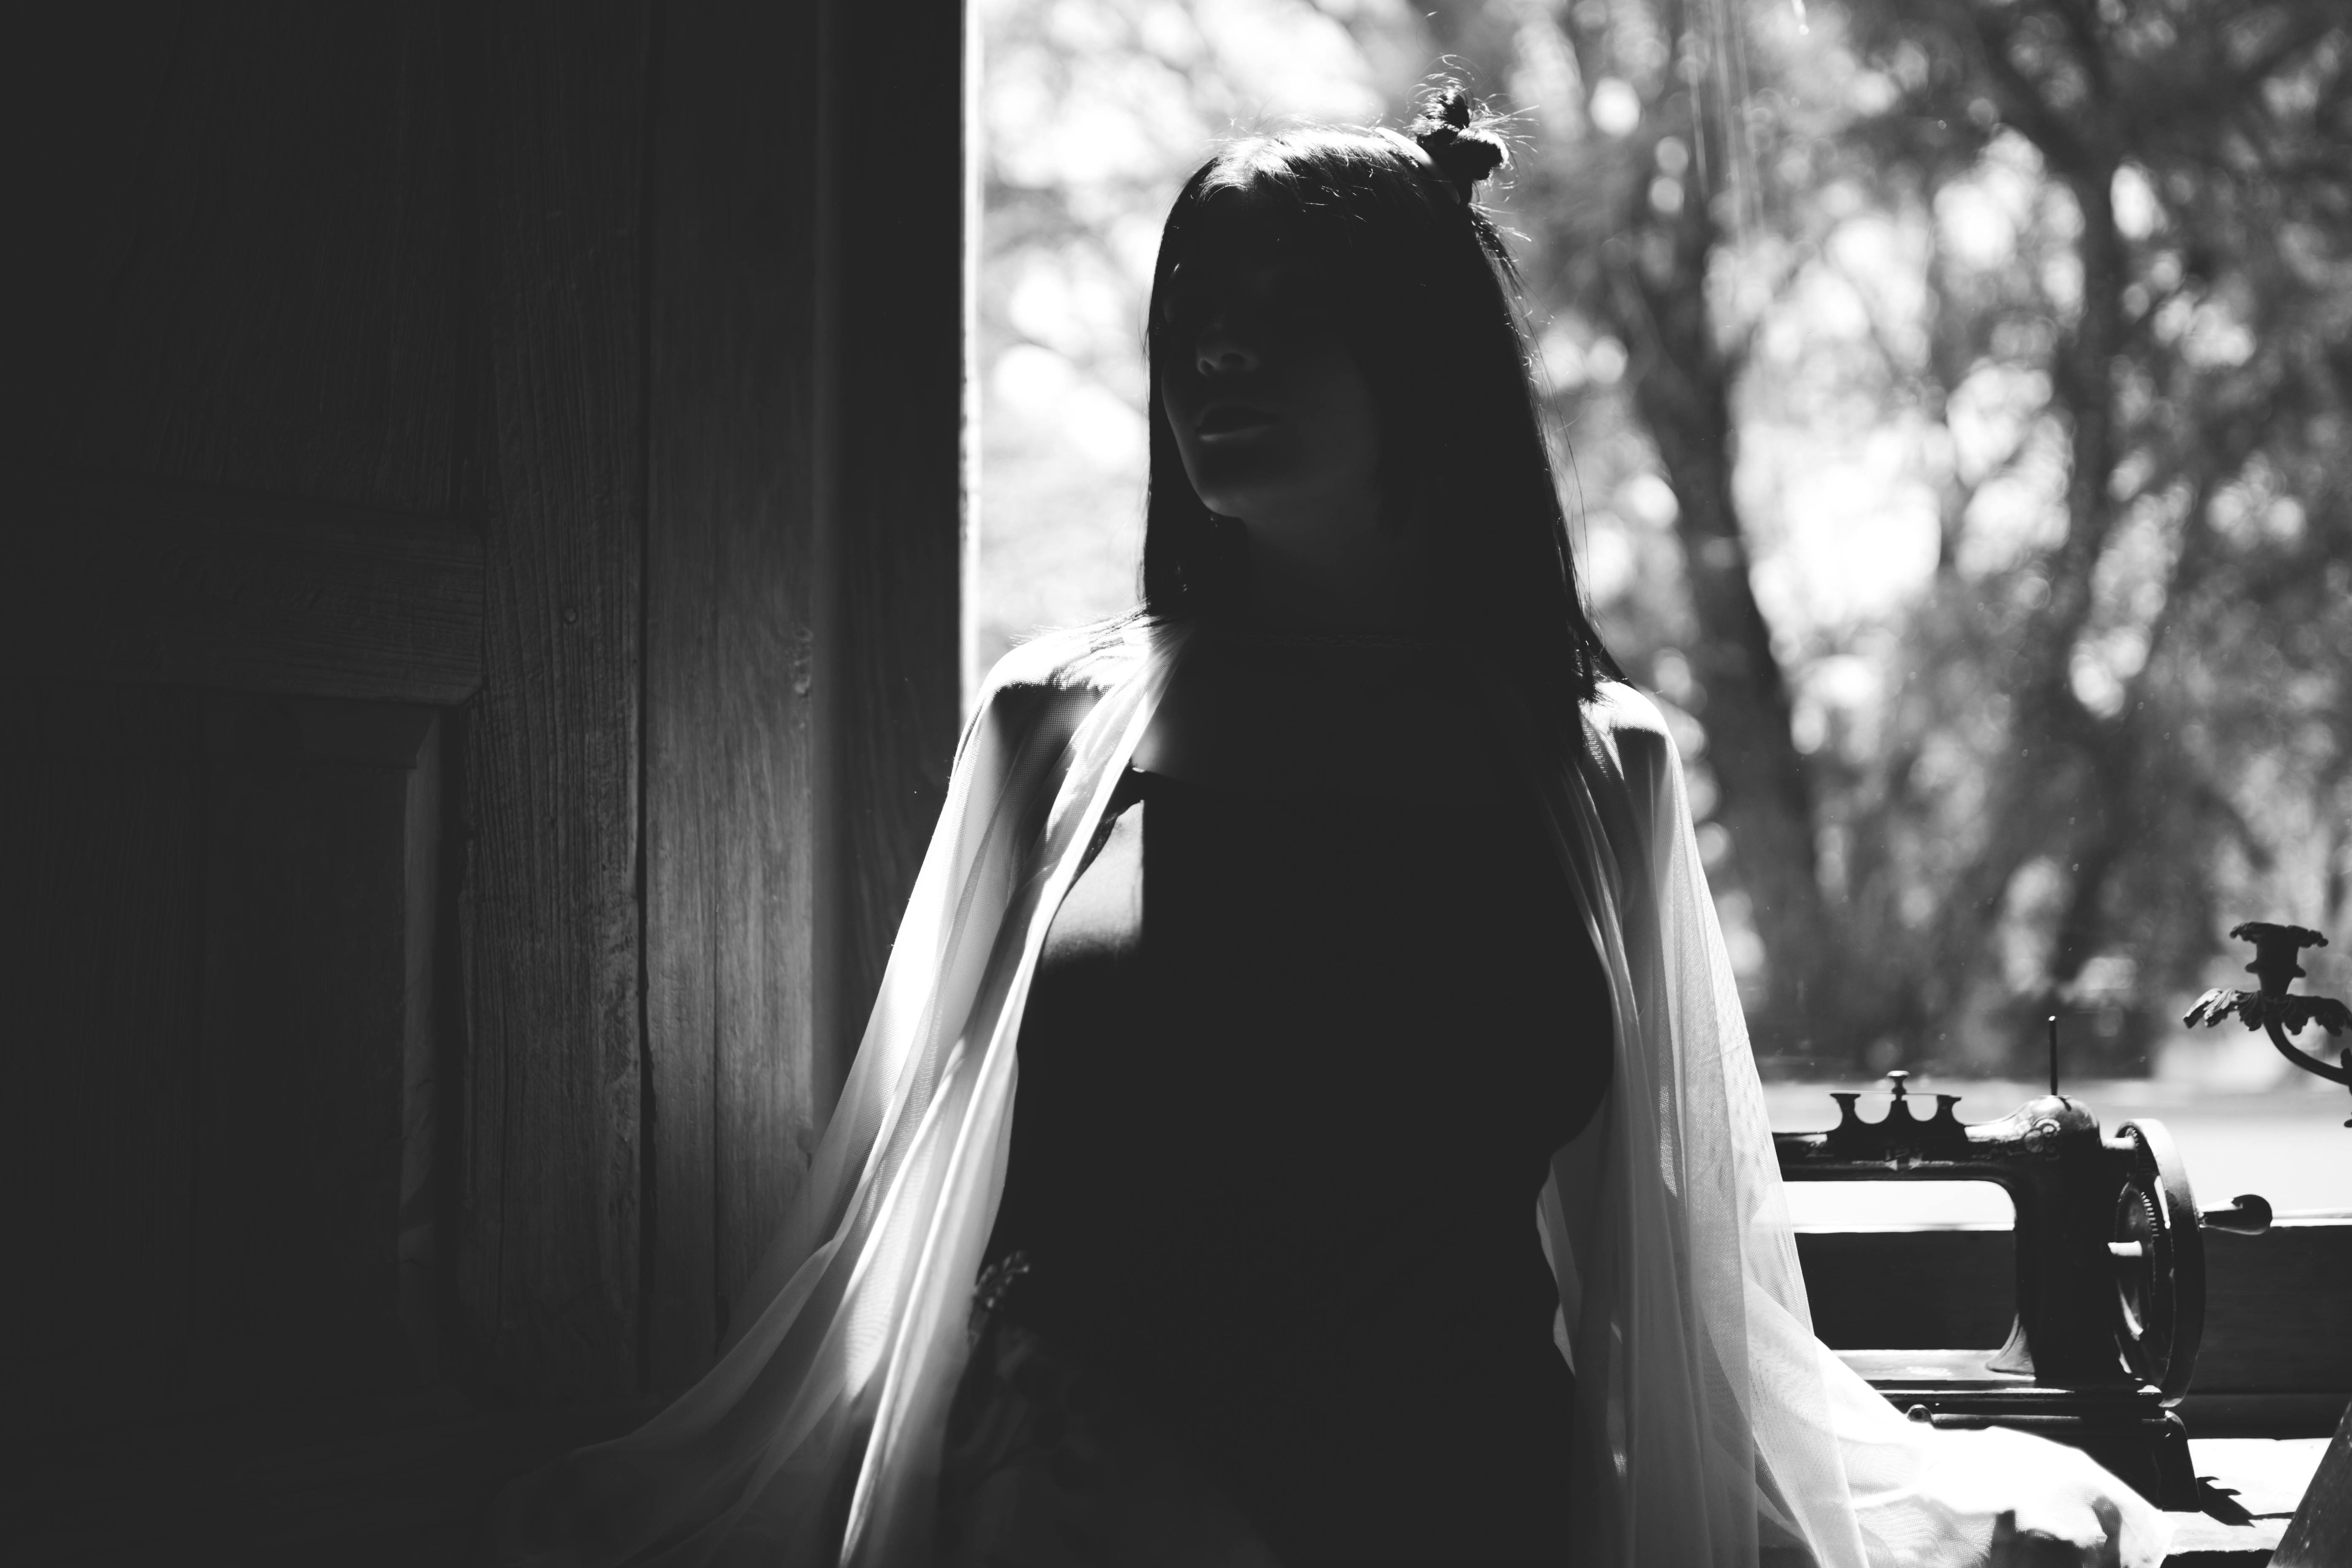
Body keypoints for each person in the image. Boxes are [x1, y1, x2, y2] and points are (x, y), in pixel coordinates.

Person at [481, 88, 2172, 1568]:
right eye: (1193, 312)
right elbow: (916, 1210)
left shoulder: (1598, 774)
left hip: (1467, 1507)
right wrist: (724, 1493)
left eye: (1286, 310)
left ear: (1423, 364)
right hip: (1087, 1515)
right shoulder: (1053, 727)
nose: (1217, 350)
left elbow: (1657, 1270)